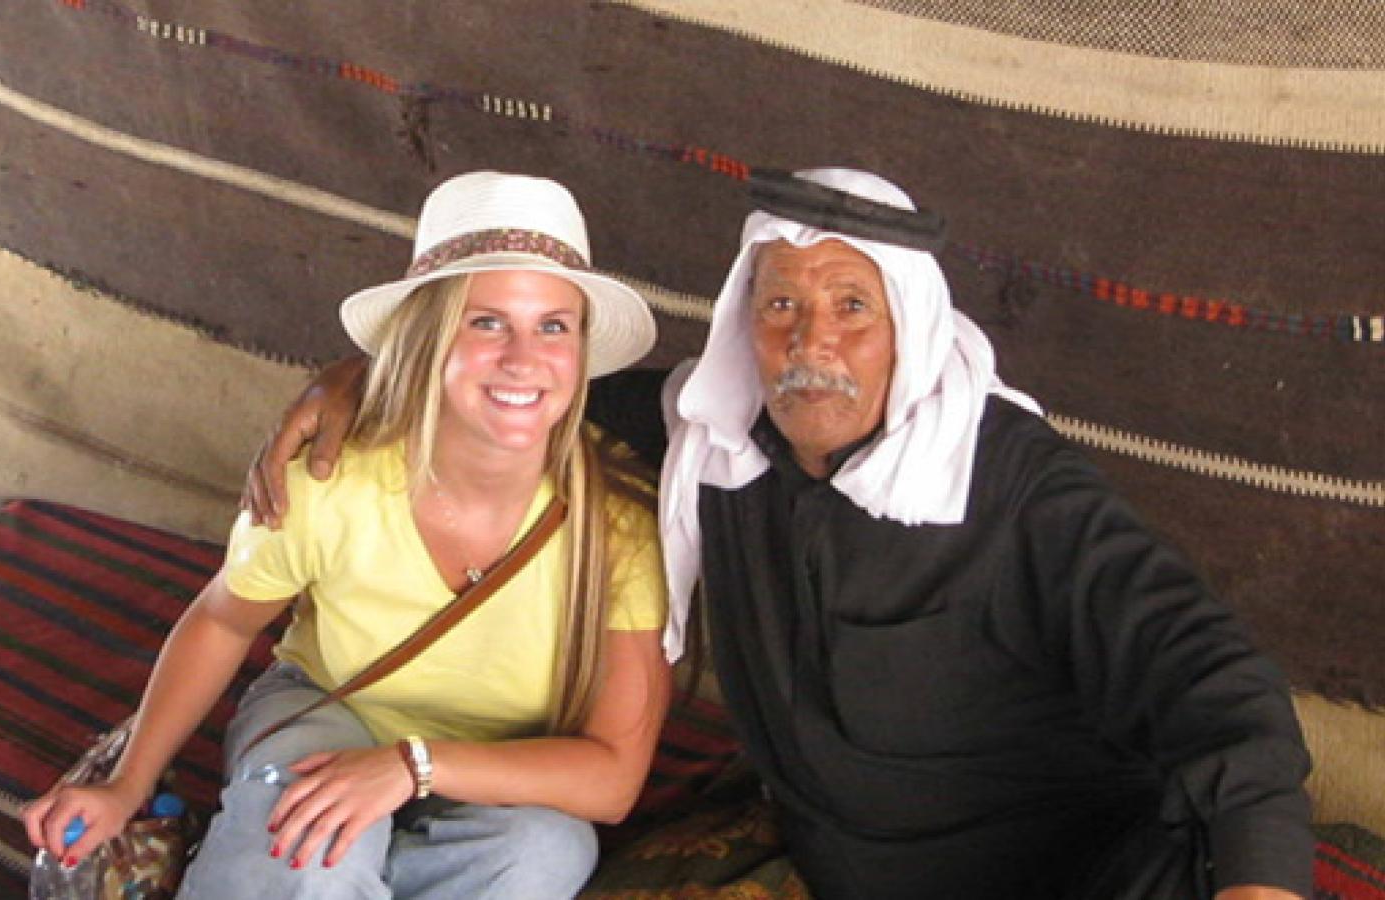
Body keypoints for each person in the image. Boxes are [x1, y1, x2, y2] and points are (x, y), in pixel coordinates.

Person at [245, 168, 1313, 899]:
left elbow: (1218, 694)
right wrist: (356, 376)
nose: (814, 343)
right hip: (836, 869)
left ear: (913, 326)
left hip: (1061, 872)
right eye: (780, 307)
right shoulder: (714, 438)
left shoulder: (1017, 489)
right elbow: (513, 388)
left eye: (852, 306)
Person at [24, 170, 672, 899]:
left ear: (580, 351)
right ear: (426, 342)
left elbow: (613, 777)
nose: (524, 357)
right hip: (334, 708)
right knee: (316, 845)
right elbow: (221, 620)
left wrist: (411, 767)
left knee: (544, 852)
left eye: (553, 325)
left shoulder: (616, 529)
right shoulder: (335, 480)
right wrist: (125, 783)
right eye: (485, 321)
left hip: (493, 759)